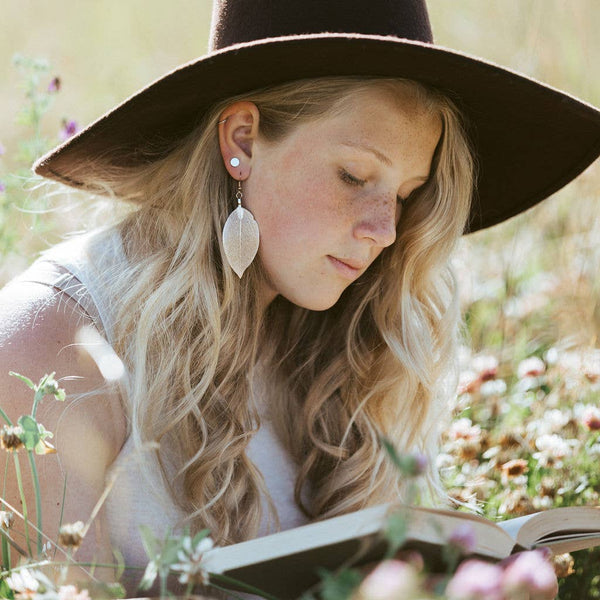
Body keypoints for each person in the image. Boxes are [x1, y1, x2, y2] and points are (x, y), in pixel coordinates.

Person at [1, 0, 599, 595]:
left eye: (406, 193)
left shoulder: (354, 346)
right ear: (243, 140)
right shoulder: (53, 342)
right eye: (355, 177)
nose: (385, 230)